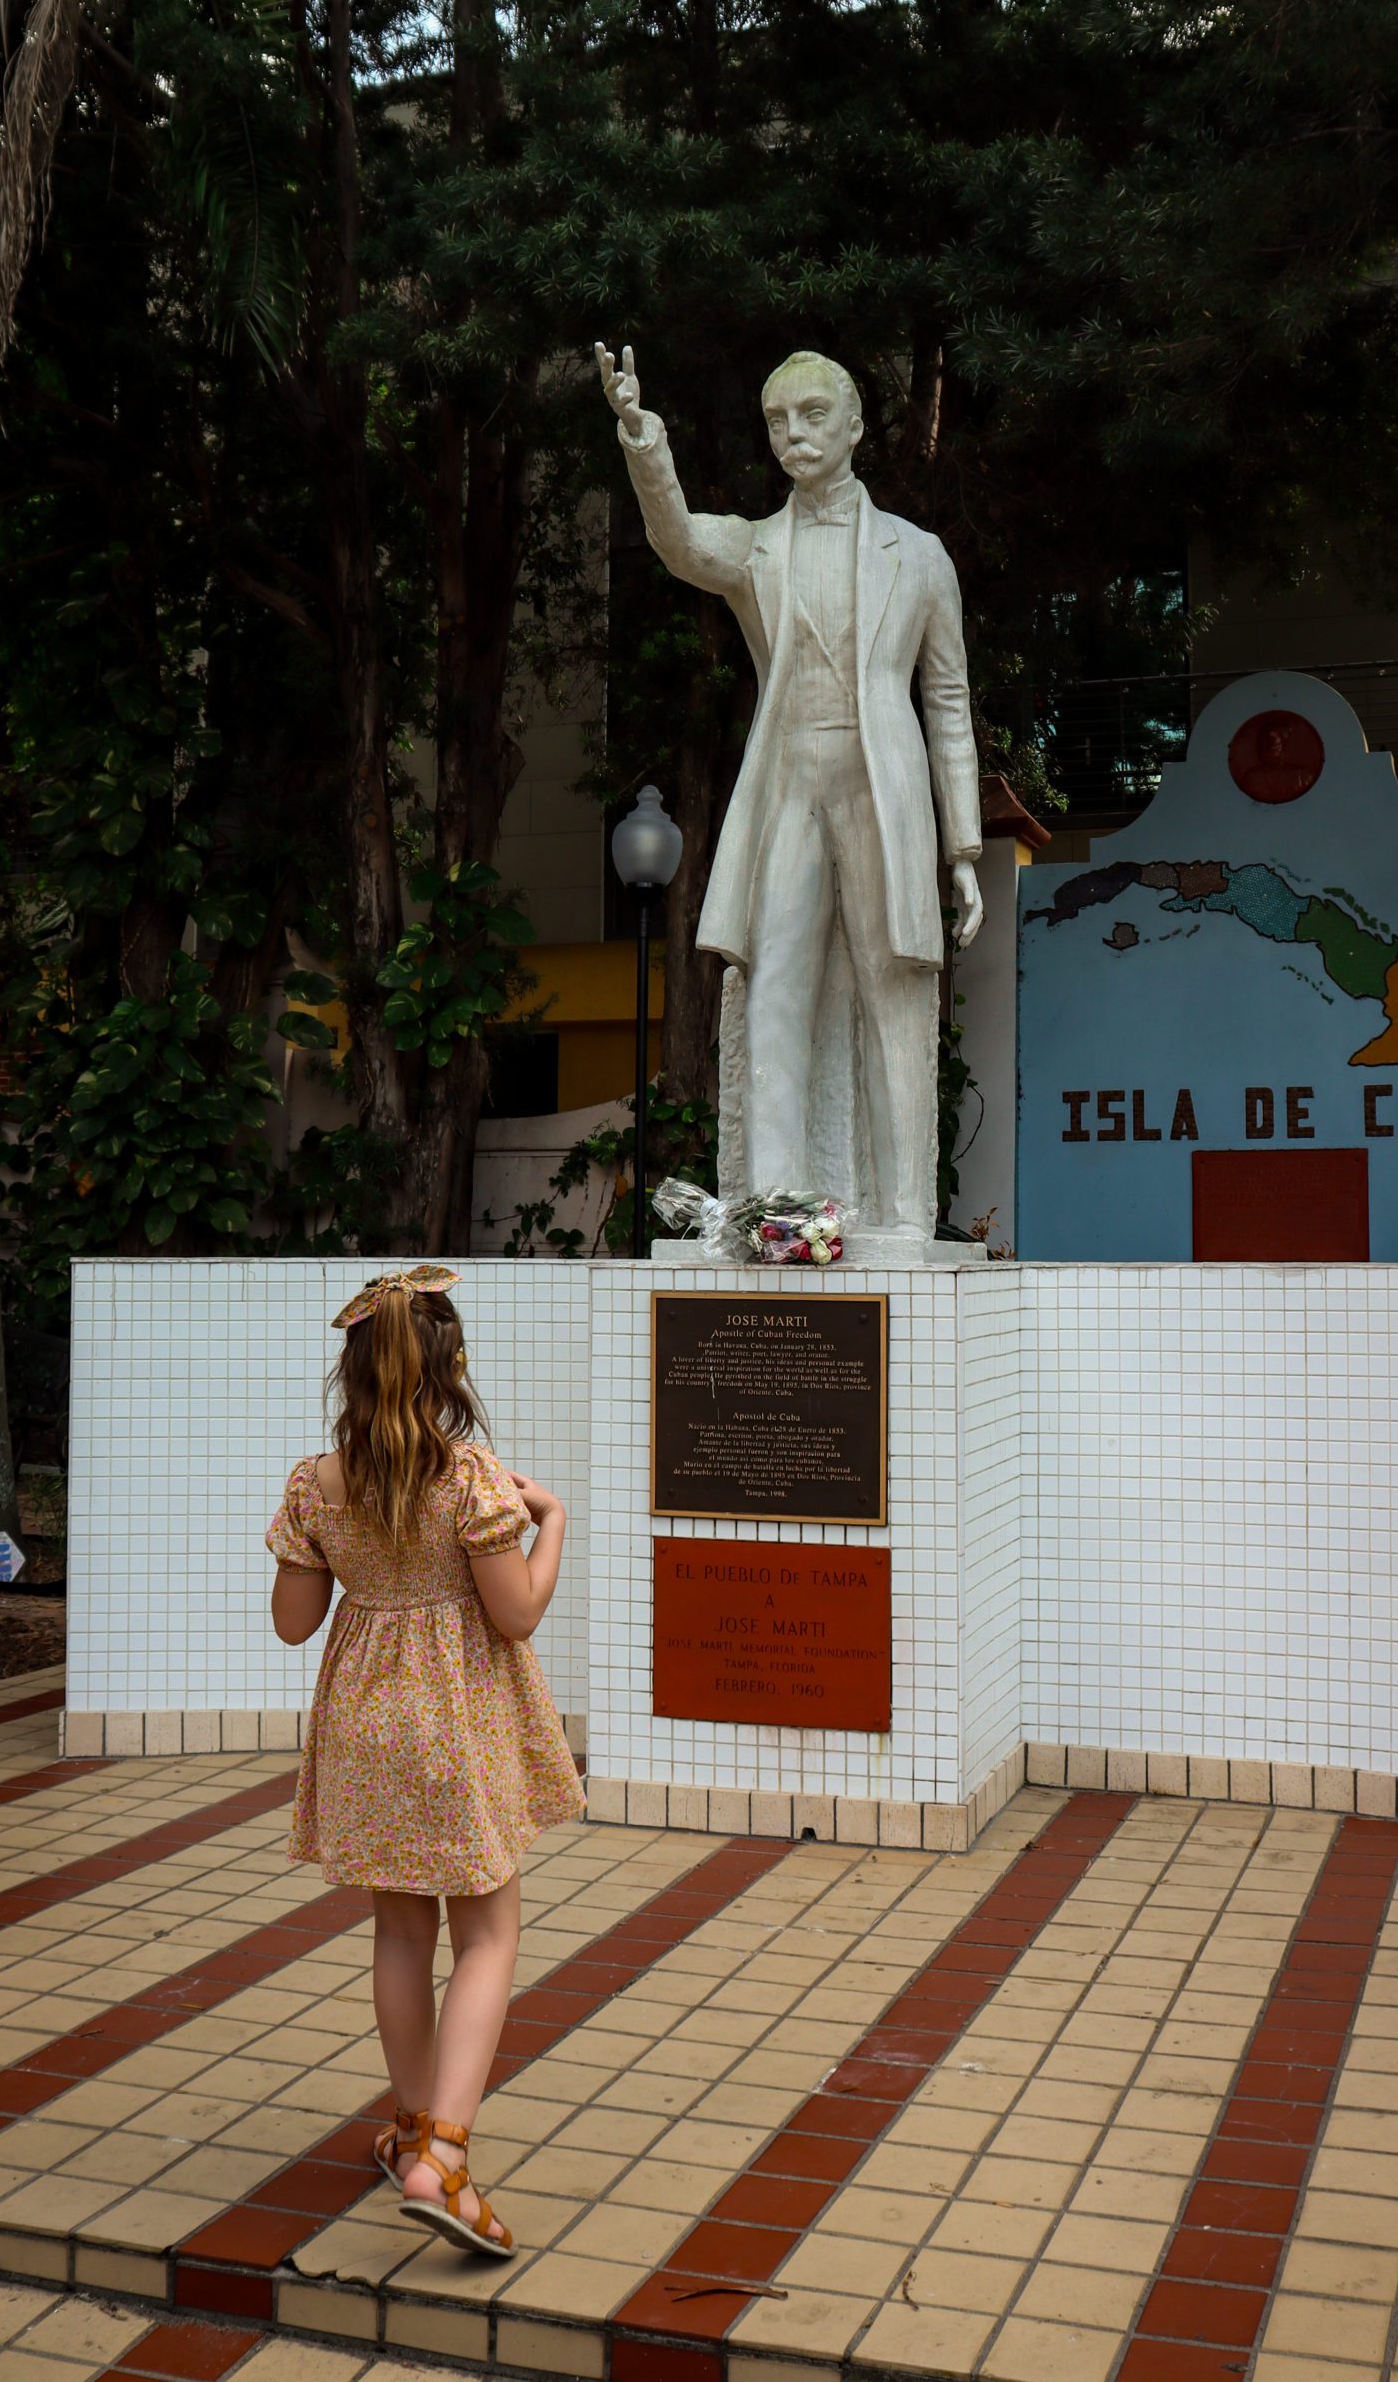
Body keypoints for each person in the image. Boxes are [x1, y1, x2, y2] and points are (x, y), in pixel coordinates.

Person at [595, 339, 985, 1238]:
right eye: (777, 420)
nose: (794, 435)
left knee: (895, 991)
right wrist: (642, 437)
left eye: (813, 415)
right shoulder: (755, 547)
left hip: (882, 792)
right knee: (773, 988)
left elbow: (949, 703)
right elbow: (681, 540)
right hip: (788, 789)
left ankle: (903, 1212)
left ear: (853, 425)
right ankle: (779, 1214)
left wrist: (961, 851)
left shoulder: (918, 556)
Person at [267, 1263, 583, 2258]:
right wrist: (555, 1521)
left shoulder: (317, 1482)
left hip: (364, 1726)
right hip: (456, 1726)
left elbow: (291, 1624)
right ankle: (443, 2159)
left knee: (399, 1934)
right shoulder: (477, 1479)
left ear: (353, 1373)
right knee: (486, 1932)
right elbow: (517, 1614)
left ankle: (409, 2128)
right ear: (448, 1369)